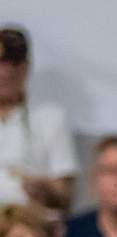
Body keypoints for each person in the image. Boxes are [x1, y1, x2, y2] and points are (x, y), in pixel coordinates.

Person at [0, 28, 73, 213]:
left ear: (25, 69)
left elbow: (65, 196)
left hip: (31, 219)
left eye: (13, 65)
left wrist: (44, 189)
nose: (5, 73)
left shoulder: (51, 117)